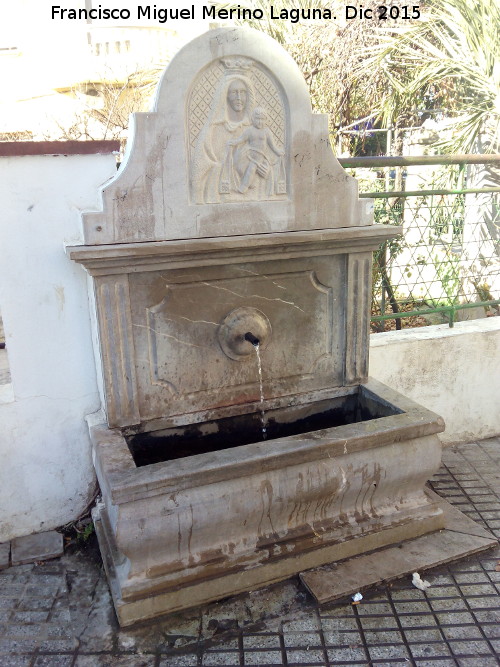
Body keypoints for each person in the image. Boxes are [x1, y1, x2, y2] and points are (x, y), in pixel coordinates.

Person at [225, 107, 284, 194]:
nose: (260, 122)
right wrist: (233, 142)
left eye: (262, 119)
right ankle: (248, 182)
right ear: (252, 119)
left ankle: (244, 187)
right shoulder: (249, 131)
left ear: (266, 120)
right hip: (249, 154)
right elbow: (241, 140)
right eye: (258, 119)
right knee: (243, 167)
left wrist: (278, 151)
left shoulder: (266, 132)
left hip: (261, 156)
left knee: (253, 168)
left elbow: (272, 146)